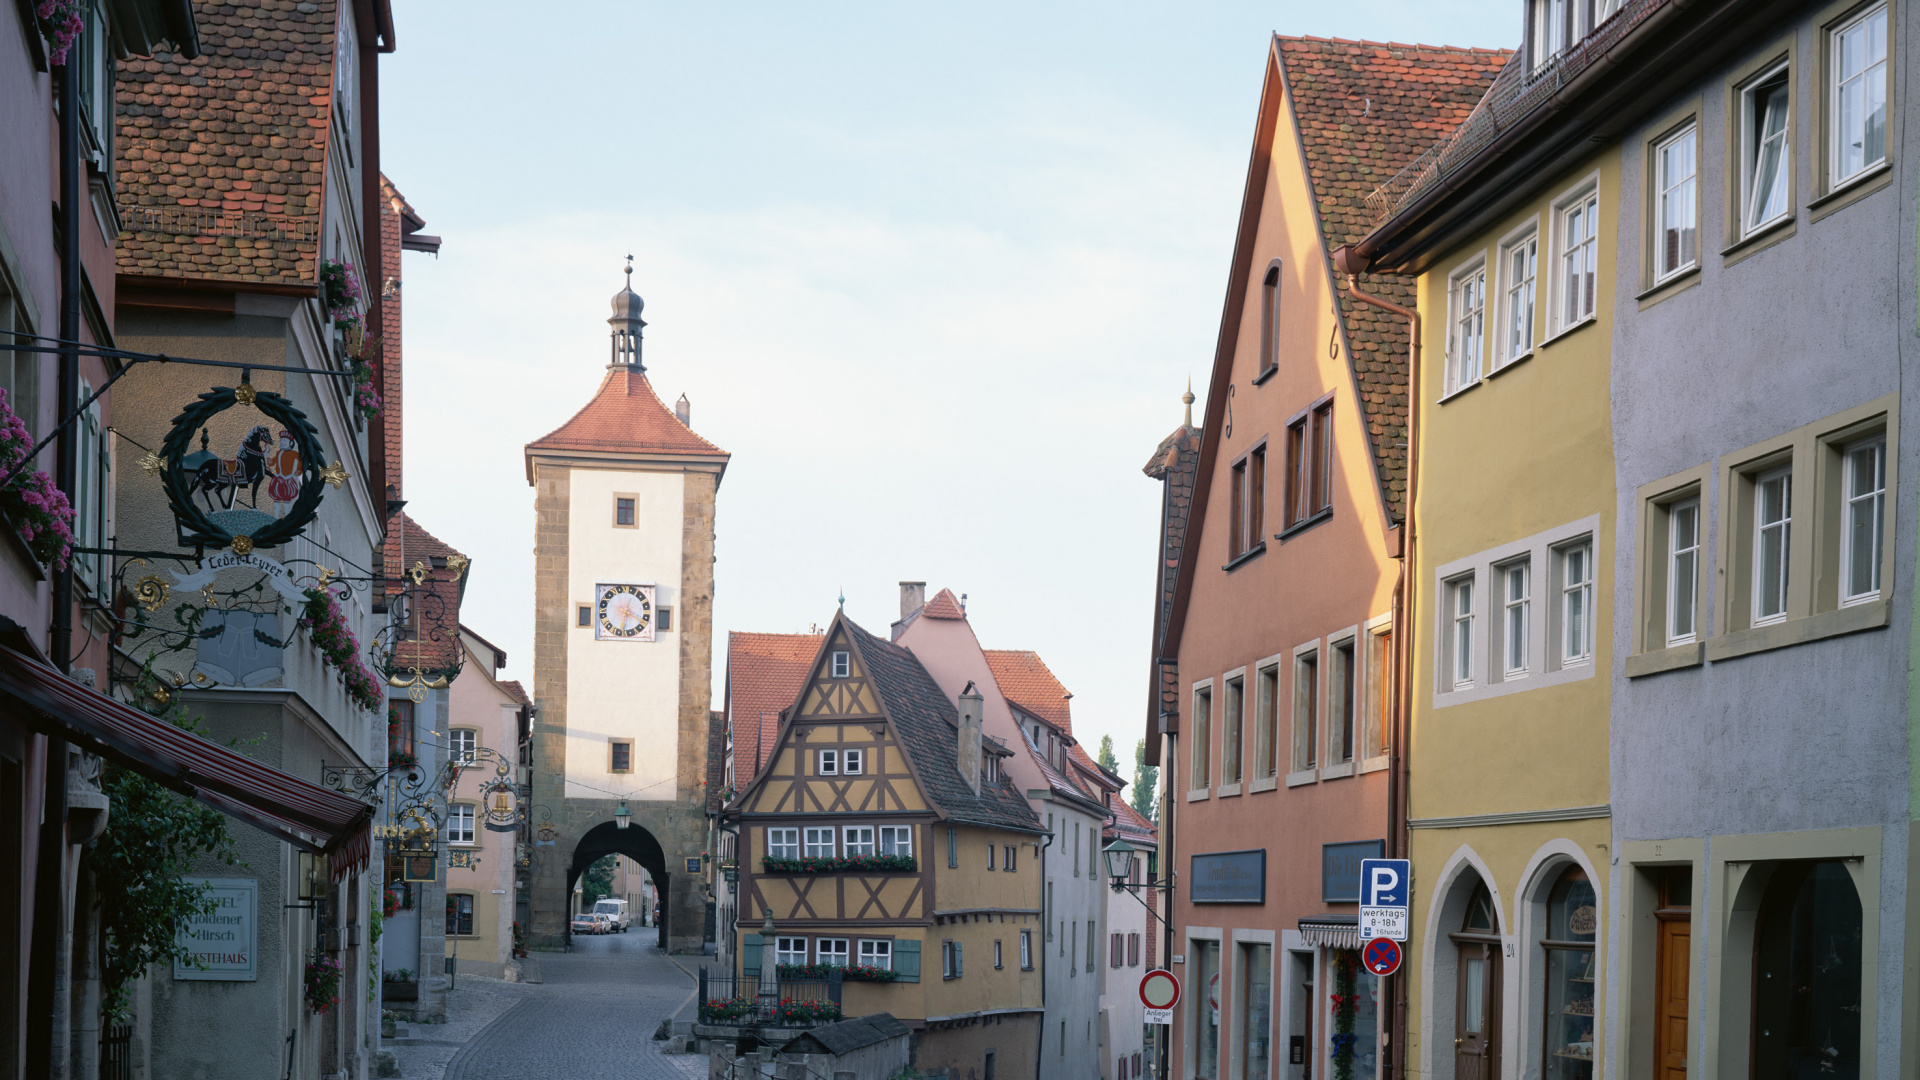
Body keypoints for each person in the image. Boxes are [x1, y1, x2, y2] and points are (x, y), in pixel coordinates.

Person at [266, 429, 302, 516]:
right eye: (281, 441)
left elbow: (300, 464)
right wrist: (266, 454)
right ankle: (276, 516)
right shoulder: (279, 452)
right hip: (278, 478)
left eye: (284, 441)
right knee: (276, 497)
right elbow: (271, 463)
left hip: (288, 479)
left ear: (290, 443)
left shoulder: (294, 453)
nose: (282, 442)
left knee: (287, 498)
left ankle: (287, 516)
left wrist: (296, 473)